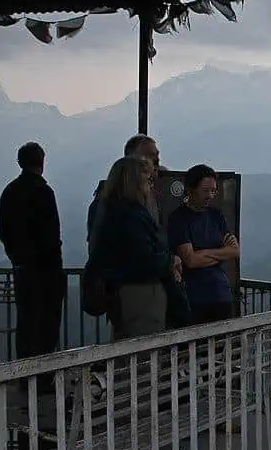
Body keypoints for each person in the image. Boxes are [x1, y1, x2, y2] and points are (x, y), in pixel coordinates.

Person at [88, 156, 181, 339]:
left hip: (121, 294)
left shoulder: (109, 211)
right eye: (147, 180)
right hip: (141, 297)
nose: (150, 186)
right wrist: (171, 260)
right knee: (145, 355)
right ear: (135, 182)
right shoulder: (132, 216)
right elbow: (145, 259)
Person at [0, 142, 66, 374]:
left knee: (26, 324)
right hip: (46, 272)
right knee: (47, 325)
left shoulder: (9, 192)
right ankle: (44, 376)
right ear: (42, 161)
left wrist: (16, 258)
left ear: (20, 162)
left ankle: (24, 374)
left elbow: (3, 232)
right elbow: (52, 235)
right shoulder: (44, 192)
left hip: (23, 270)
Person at [167, 164, 239, 324]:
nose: (210, 195)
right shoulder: (179, 219)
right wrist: (221, 253)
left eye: (213, 190)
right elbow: (190, 261)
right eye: (205, 190)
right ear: (191, 189)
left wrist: (202, 254)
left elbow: (234, 251)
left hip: (221, 294)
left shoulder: (216, 215)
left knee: (223, 346)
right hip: (194, 298)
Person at [87, 134, 159, 243]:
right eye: (149, 156)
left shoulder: (164, 187)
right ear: (131, 160)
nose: (156, 160)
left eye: (156, 155)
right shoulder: (105, 205)